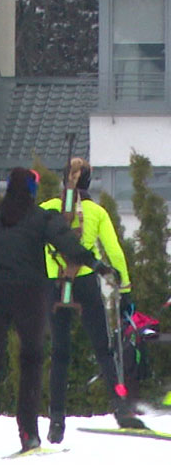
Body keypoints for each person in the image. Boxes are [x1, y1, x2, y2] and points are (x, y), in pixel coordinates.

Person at [0, 168, 113, 454]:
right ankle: (29, 436)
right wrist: (95, 264)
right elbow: (68, 244)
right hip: (29, 297)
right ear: (33, 192)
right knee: (31, 362)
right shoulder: (41, 219)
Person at [41, 158, 144, 443]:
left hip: (55, 284)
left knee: (59, 354)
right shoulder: (96, 212)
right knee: (104, 350)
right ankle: (121, 409)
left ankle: (56, 421)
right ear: (89, 182)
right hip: (85, 283)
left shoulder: (47, 209)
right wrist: (125, 287)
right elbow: (115, 252)